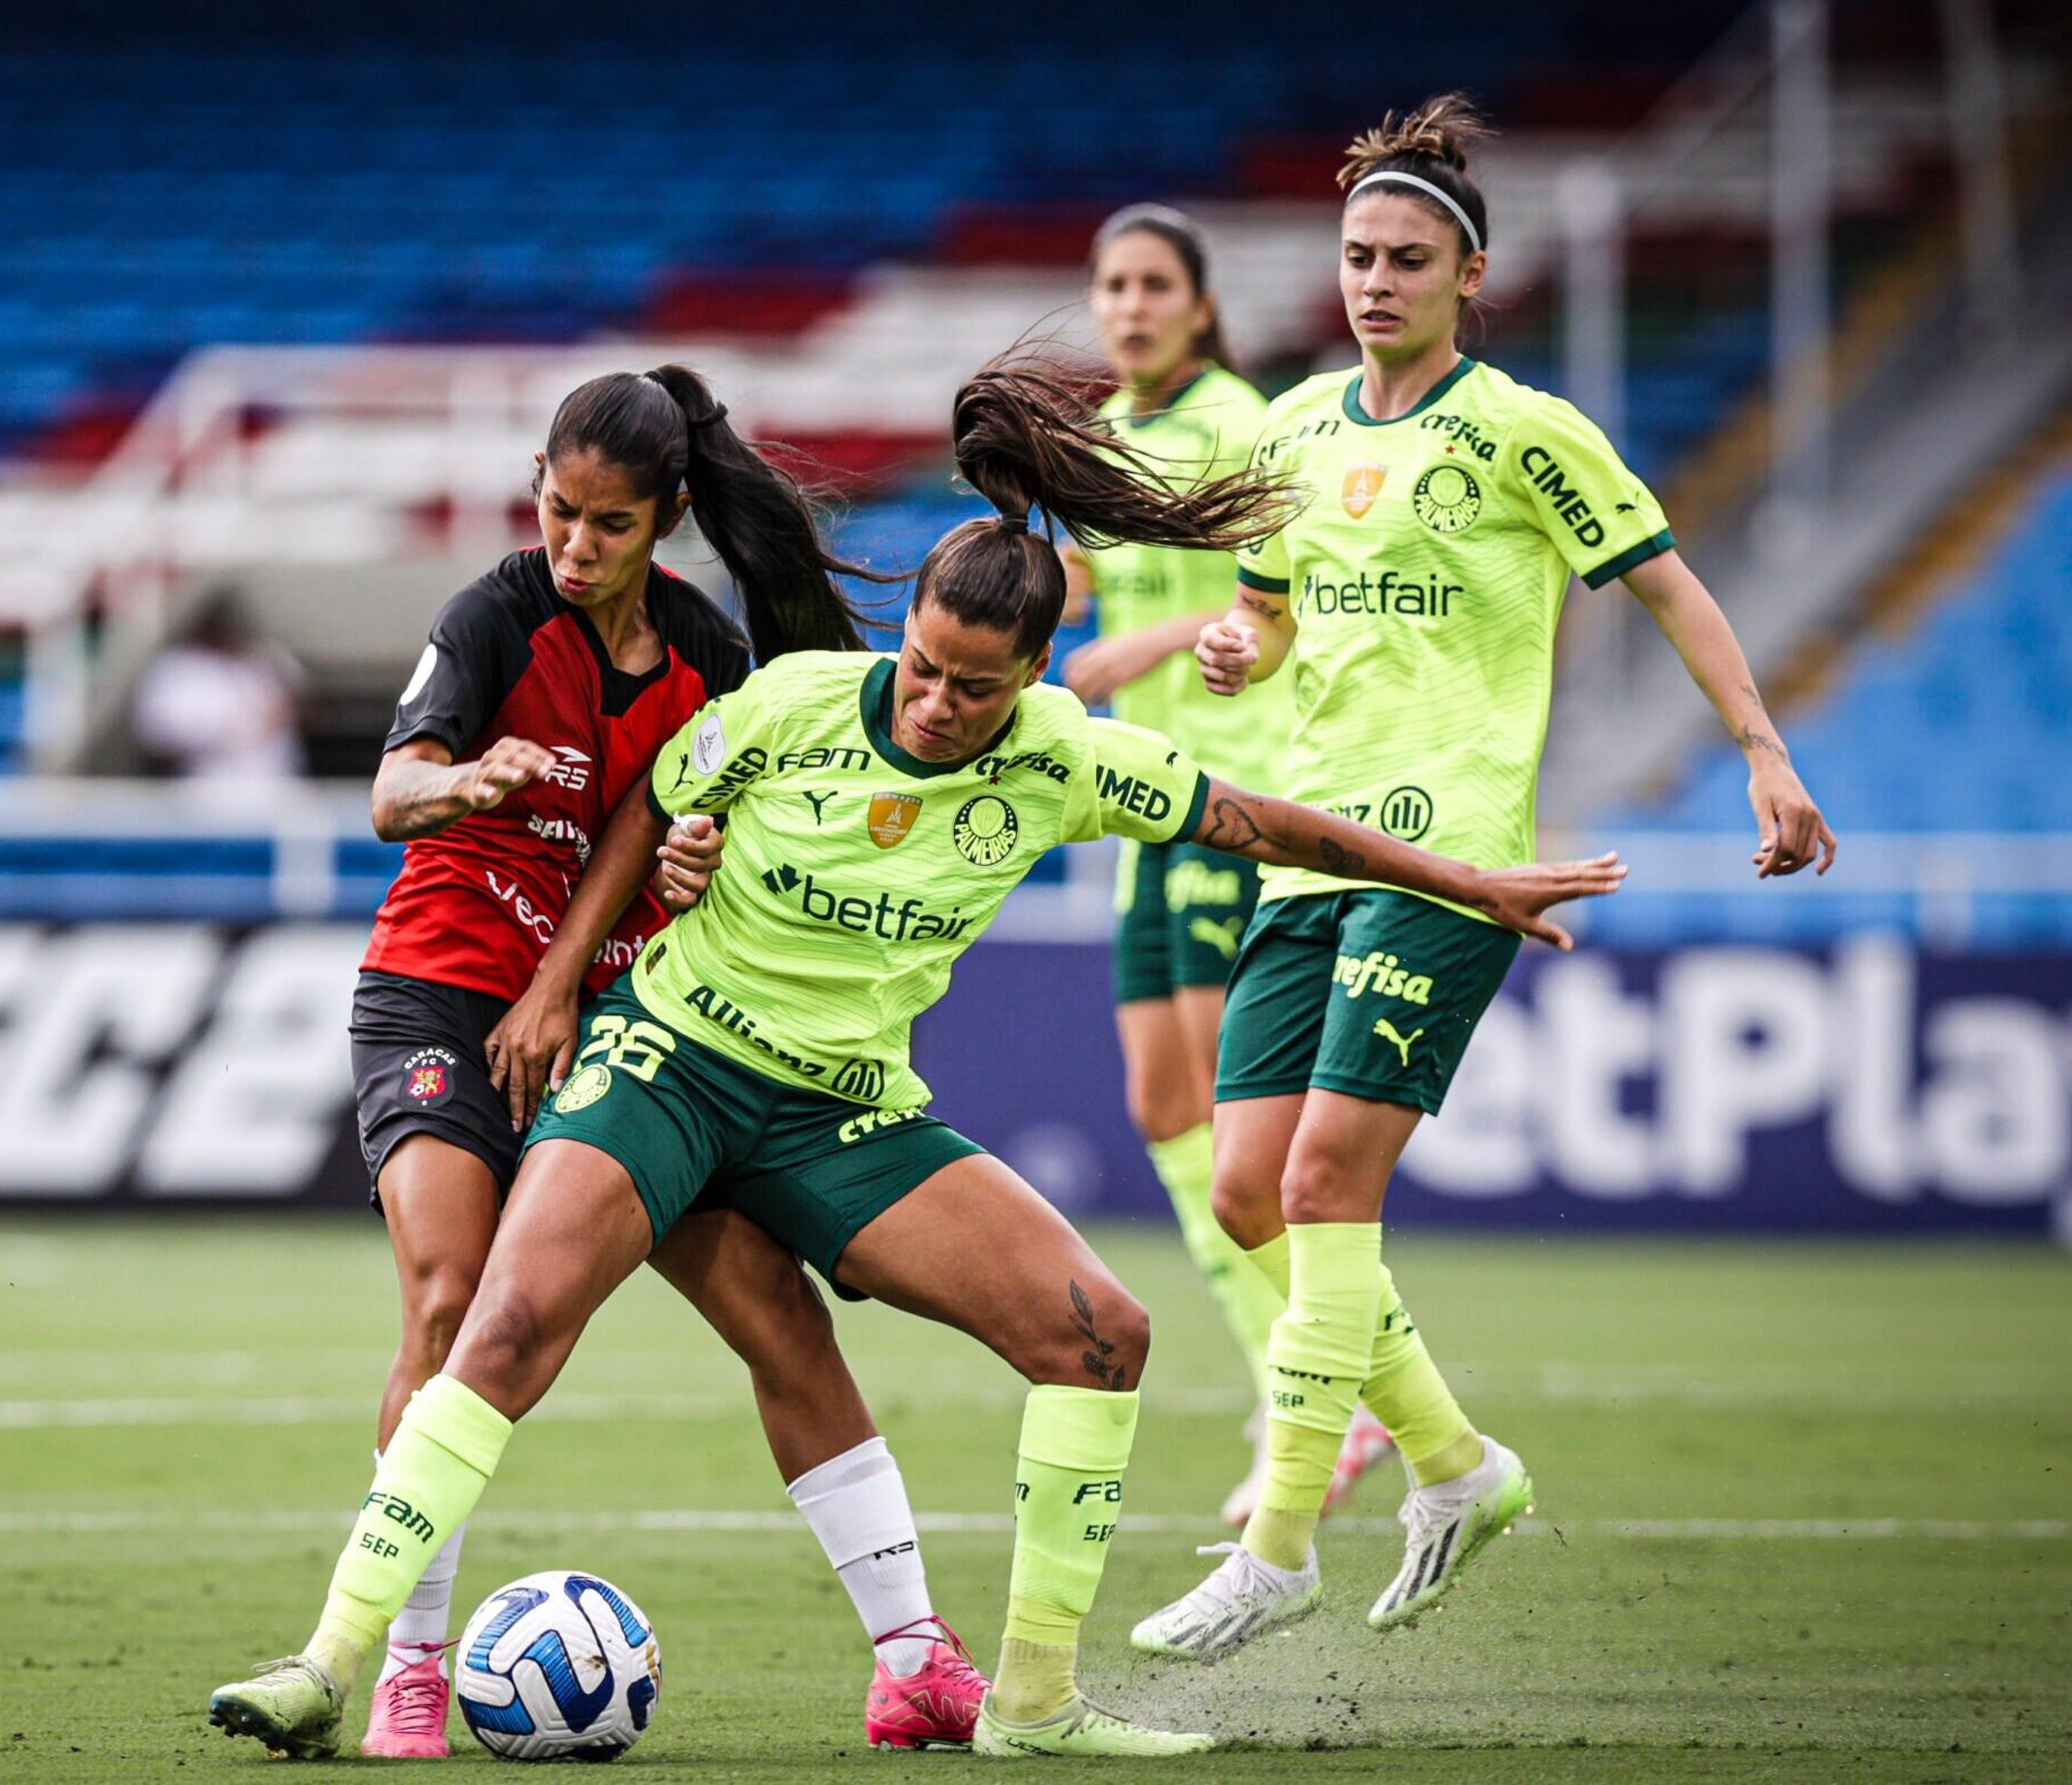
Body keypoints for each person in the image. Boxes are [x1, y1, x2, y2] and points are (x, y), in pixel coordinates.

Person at [212, 350, 1627, 1759]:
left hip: (843, 1110)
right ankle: (339, 1661)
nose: (936, 706)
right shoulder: (793, 700)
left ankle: (1026, 1700)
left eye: (975, 689)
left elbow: (1261, 820)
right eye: (925, 669)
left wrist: (1465, 880)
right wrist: (572, 974)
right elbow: (653, 803)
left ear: (1032, 679)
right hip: (671, 1058)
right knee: (500, 1321)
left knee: (1100, 1336)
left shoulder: (1067, 757)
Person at [1127, 95, 1836, 1663]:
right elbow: (1261, 619)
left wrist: (1763, 748)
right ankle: (1461, 1463)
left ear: (1472, 274)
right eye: (1358, 255)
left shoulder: (1525, 431)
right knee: (1249, 1193)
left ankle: (1278, 1543)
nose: (1375, 279)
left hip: (1453, 860)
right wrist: (1243, 647)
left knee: (1322, 1186)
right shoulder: (1291, 430)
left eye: (1407, 258)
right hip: (1311, 852)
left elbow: (1671, 583)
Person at [344, 364, 987, 1757]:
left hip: (628, 1026)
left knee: (776, 1311)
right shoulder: (498, 612)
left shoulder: (710, 657)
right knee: (453, 1296)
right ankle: (405, 1658)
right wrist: (466, 781)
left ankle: (916, 1652)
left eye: (609, 526)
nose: (574, 546)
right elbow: (395, 788)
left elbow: (723, 816)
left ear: (669, 518)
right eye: (558, 511)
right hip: (448, 997)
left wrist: (697, 857)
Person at [1064, 203, 1391, 1528]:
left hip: (1240, 798)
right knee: (1159, 1107)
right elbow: (1096, 588)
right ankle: (1300, 1374)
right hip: (1150, 803)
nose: (1131, 306)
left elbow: (1290, 587)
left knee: (1223, 1113)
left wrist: (1151, 644)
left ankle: (1334, 1385)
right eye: (1112, 286)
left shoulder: (1249, 425)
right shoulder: (1106, 436)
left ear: (1199, 308)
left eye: (1154, 285)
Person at [128, 588, 306, 779]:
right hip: (206, 788)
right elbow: (156, 736)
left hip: (273, 784)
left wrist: (281, 710)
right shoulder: (176, 669)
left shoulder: (267, 658)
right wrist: (222, 735)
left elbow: (304, 714)